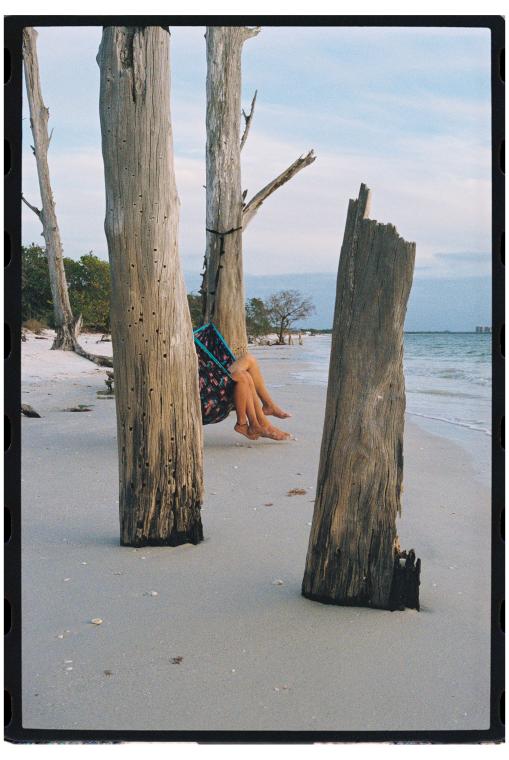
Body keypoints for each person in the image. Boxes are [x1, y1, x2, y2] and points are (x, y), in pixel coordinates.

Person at [228, 353, 291, 441]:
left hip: (212, 368)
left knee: (250, 359)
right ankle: (250, 423)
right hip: (208, 380)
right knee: (243, 376)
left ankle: (268, 406)